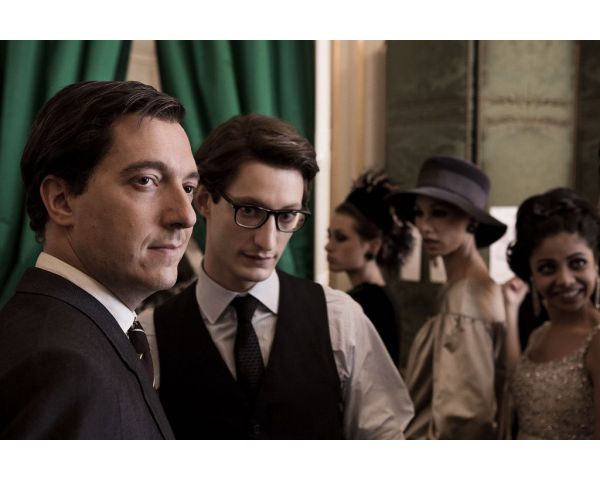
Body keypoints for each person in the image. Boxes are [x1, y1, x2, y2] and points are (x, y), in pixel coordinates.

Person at [138, 113, 414, 439]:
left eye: (287, 216)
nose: (268, 241)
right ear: (203, 201)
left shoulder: (340, 321)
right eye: (249, 211)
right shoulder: (150, 335)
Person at [0, 80, 199, 439]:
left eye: (188, 188)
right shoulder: (60, 366)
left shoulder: (80, 333)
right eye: (146, 181)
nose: (186, 215)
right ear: (61, 200)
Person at [387, 155, 507, 439]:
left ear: (471, 221)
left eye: (439, 213)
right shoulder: (462, 289)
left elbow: (464, 418)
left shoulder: (466, 296)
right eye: (419, 213)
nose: (424, 226)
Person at [503, 188, 600, 439]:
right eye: (547, 268)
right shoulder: (539, 334)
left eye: (577, 263)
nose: (565, 280)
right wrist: (510, 310)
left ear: (596, 263)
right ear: (532, 275)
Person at [326, 171, 412, 365]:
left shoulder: (369, 303)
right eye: (329, 235)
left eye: (340, 238)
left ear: (373, 245)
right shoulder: (376, 298)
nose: (328, 246)